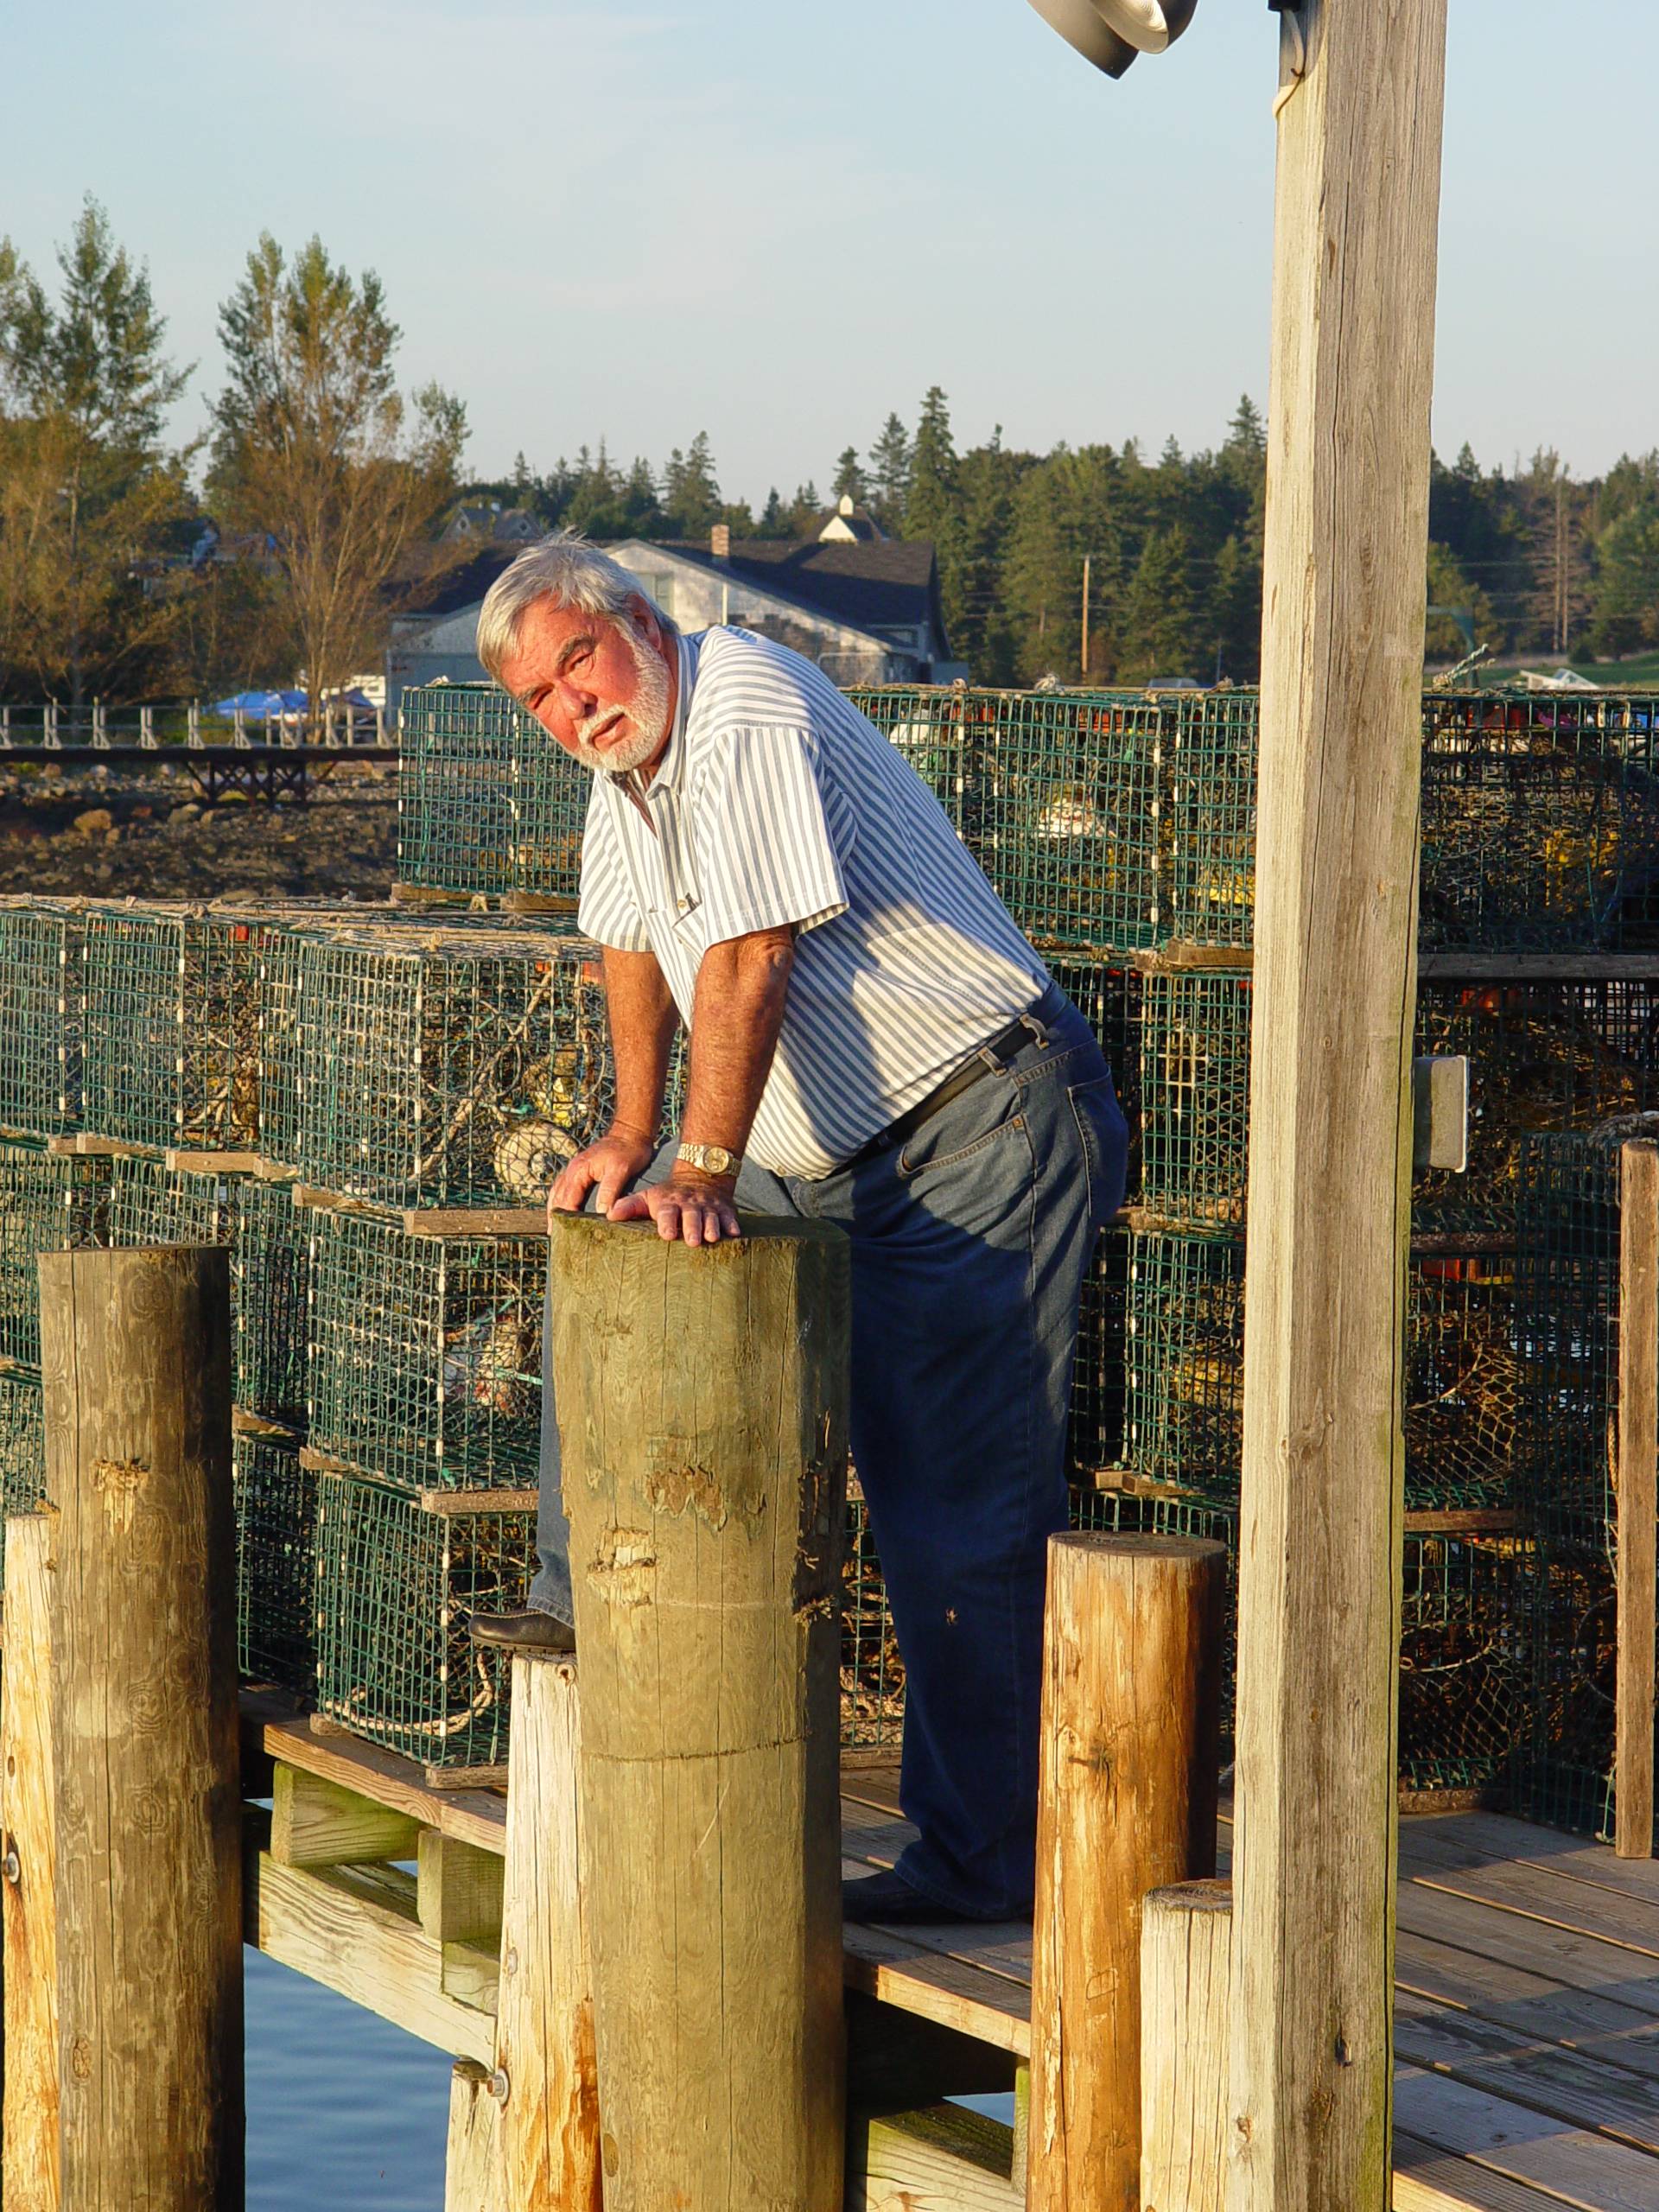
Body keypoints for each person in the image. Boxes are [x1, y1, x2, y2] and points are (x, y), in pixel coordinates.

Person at [466, 532, 1127, 1924]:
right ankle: (570, 1598)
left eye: (577, 663)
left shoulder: (746, 693)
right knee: (616, 1253)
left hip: (972, 1130)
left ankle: (986, 1863)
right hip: (807, 1150)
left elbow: (752, 952)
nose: (571, 707)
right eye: (540, 697)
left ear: (639, 622)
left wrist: (703, 1158)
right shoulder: (624, 775)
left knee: (954, 1510)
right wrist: (635, 1141)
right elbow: (631, 949)